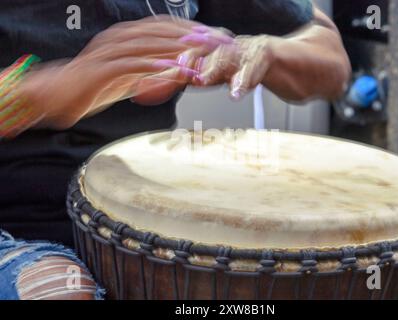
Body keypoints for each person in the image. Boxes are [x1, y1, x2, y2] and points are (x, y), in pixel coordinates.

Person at [0, 0, 350, 300]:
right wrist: (39, 94)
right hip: (17, 227)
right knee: (56, 289)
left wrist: (259, 51)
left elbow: (328, 54)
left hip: (138, 227)